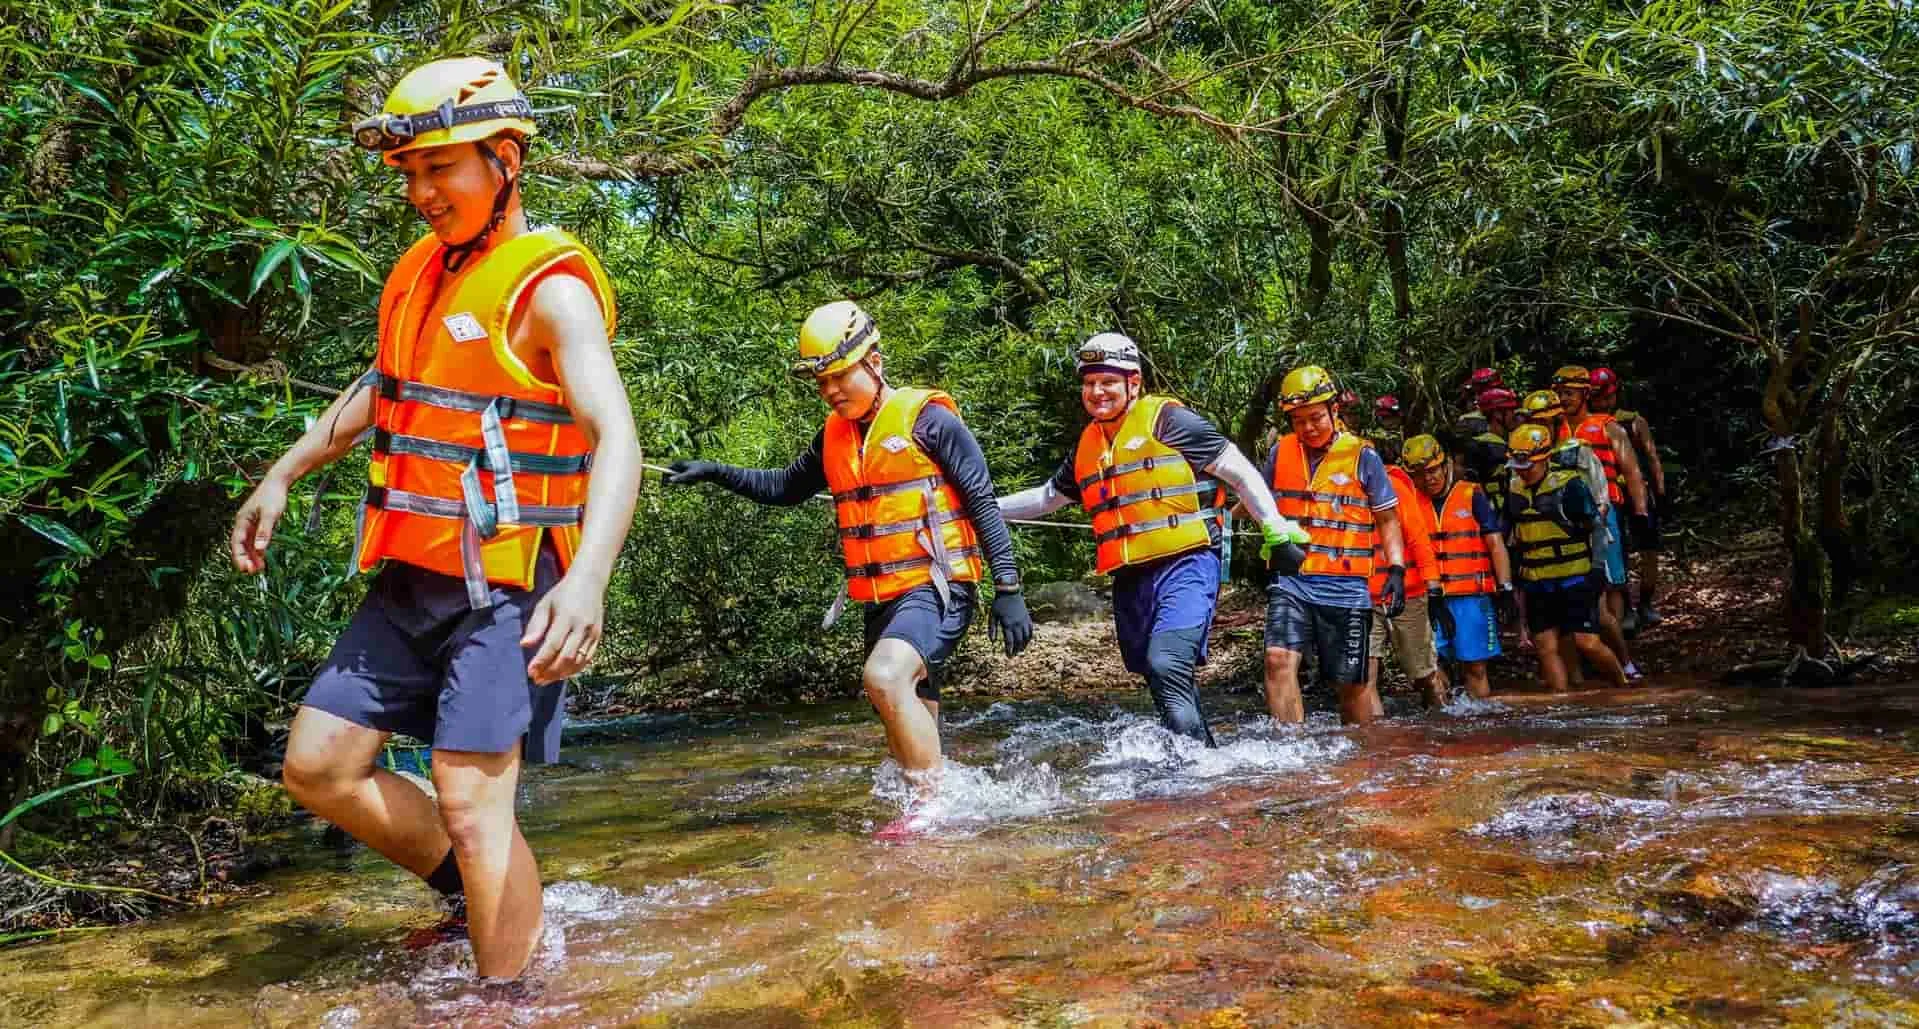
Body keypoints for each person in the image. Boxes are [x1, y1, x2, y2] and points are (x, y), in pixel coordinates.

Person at [229, 57, 644, 979]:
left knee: (471, 798)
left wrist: (588, 581)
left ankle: (506, 996)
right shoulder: (420, 275)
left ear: (504, 159)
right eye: (409, 174)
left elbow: (618, 438)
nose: (419, 192)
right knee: (319, 765)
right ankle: (487, 905)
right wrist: (284, 471)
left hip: (508, 587)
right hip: (413, 576)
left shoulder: (553, 290)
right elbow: (388, 385)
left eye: (439, 169)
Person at [663, 301, 1033, 803]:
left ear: (874, 364)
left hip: (937, 588)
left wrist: (1007, 587)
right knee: (911, 700)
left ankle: (933, 811)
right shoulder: (834, 437)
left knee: (885, 677)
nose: (831, 391)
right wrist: (716, 471)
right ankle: (932, 816)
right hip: (881, 596)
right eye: (822, 383)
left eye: (840, 376)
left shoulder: (931, 422)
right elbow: (785, 487)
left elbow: (982, 503)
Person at [998, 333, 1304, 745]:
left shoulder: (1170, 421)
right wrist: (983, 506)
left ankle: (1198, 775)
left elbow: (1239, 471)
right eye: (1089, 383)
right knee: (1158, 678)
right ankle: (1203, 766)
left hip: (1188, 563)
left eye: (1108, 381)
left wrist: (1275, 528)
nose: (1097, 391)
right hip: (1131, 577)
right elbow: (1047, 498)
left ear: (1134, 382)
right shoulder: (1089, 445)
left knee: (1167, 664)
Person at [1262, 366, 1409, 725]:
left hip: (1345, 586)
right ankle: (1290, 756)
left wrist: (1396, 568)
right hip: (1292, 578)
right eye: (1298, 420)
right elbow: (1255, 500)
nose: (1308, 428)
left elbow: (1387, 518)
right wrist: (1217, 516)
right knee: (1277, 659)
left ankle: (1361, 762)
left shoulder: (1364, 456)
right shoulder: (1280, 452)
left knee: (1351, 685)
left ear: (1334, 411)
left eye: (1315, 418)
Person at [1519, 388, 1638, 678]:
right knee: (1560, 630)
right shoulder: (1524, 457)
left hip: (1583, 546)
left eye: (1545, 420)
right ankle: (1576, 685)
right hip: (1548, 557)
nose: (1539, 426)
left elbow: (1601, 500)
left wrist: (1587, 540)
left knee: (1600, 613)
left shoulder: (1576, 450)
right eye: (1534, 420)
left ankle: (1625, 663)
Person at [1503, 424, 1629, 693]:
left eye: (1528, 466)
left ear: (1545, 458)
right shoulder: (1513, 489)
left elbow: (1596, 528)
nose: (1522, 471)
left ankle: (1622, 684)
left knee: (1587, 642)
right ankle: (1562, 703)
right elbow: (1511, 538)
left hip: (1575, 576)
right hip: (1537, 582)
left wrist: (1596, 571)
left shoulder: (1569, 486)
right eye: (1518, 466)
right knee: (1547, 647)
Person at [1401, 435, 1516, 700]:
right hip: (1428, 598)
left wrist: (1505, 587)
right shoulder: (1409, 501)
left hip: (1471, 596)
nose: (1428, 479)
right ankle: (1443, 720)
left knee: (1474, 667)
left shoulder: (1470, 494)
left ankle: (1479, 725)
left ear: (1445, 466)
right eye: (1419, 474)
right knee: (1429, 668)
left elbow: (1495, 542)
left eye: (1432, 471)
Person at [1552, 367, 1650, 678]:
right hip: (1566, 522)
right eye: (1560, 392)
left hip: (1607, 516)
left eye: (1569, 392)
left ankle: (1619, 648)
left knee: (1611, 584)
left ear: (1585, 394)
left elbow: (1632, 471)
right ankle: (1586, 653)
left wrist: (1641, 512)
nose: (1563, 398)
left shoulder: (1608, 427)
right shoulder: (1553, 430)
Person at [1362, 455, 1447, 708]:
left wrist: (1433, 589)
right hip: (1363, 598)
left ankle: (1444, 724)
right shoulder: (1339, 492)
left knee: (1424, 676)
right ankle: (1375, 740)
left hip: (1407, 594)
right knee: (1364, 677)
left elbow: (1419, 540)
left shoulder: (1394, 487)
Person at [1591, 367, 1667, 627]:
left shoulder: (1633, 421)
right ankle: (1626, 609)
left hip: (1637, 493)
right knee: (1617, 550)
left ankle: (1645, 603)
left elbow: (1652, 458)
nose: (1602, 402)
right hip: (1609, 496)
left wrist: (1659, 492)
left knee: (1648, 549)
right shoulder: (1590, 424)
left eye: (1605, 397)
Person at [1371, 393, 1405, 466]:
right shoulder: (1378, 437)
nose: (1395, 420)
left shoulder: (1400, 431)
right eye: (1389, 418)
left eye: (1396, 416)